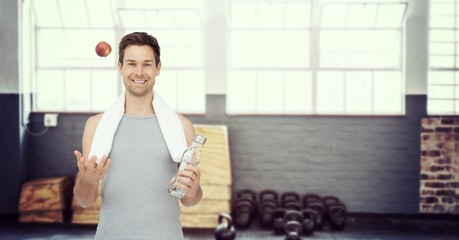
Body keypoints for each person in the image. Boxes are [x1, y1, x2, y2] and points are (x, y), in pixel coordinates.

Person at [73, 32, 203, 239]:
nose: (139, 72)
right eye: (132, 64)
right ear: (120, 67)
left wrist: (194, 189)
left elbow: (189, 200)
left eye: (147, 64)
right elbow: (84, 200)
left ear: (158, 68)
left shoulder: (182, 126)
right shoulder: (96, 126)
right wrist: (87, 181)